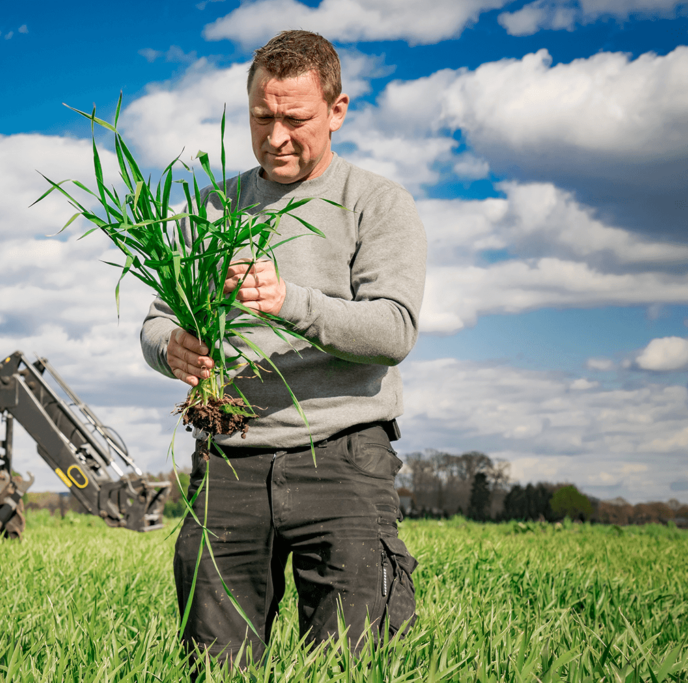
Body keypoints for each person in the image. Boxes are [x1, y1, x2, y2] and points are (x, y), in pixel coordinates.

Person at [139, 30, 427, 666]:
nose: (275, 137)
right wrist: (171, 349)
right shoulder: (214, 207)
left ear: (336, 109)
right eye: (260, 117)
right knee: (215, 665)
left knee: (356, 663)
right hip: (229, 463)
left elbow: (394, 330)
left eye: (295, 119)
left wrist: (288, 300)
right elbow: (157, 321)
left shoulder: (376, 203)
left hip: (344, 461)